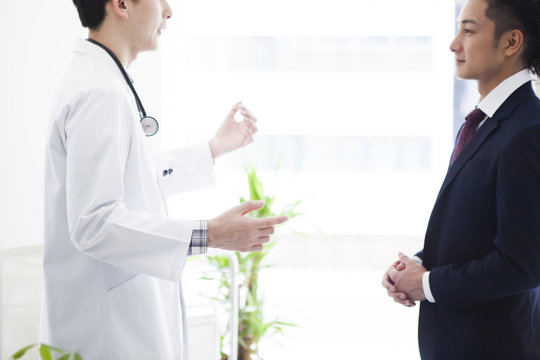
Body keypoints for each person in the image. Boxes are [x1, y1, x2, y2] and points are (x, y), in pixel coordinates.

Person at [40, 0, 288, 359]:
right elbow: (94, 223)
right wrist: (211, 234)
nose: (168, 12)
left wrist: (212, 149)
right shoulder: (99, 93)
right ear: (122, 4)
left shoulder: (101, 79)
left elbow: (130, 178)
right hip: (108, 336)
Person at [381, 0, 540, 358]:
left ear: (511, 42)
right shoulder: (486, 121)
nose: (455, 44)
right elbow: (478, 233)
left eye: (468, 30)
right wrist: (419, 266)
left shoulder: (528, 131)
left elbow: (523, 263)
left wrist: (427, 284)